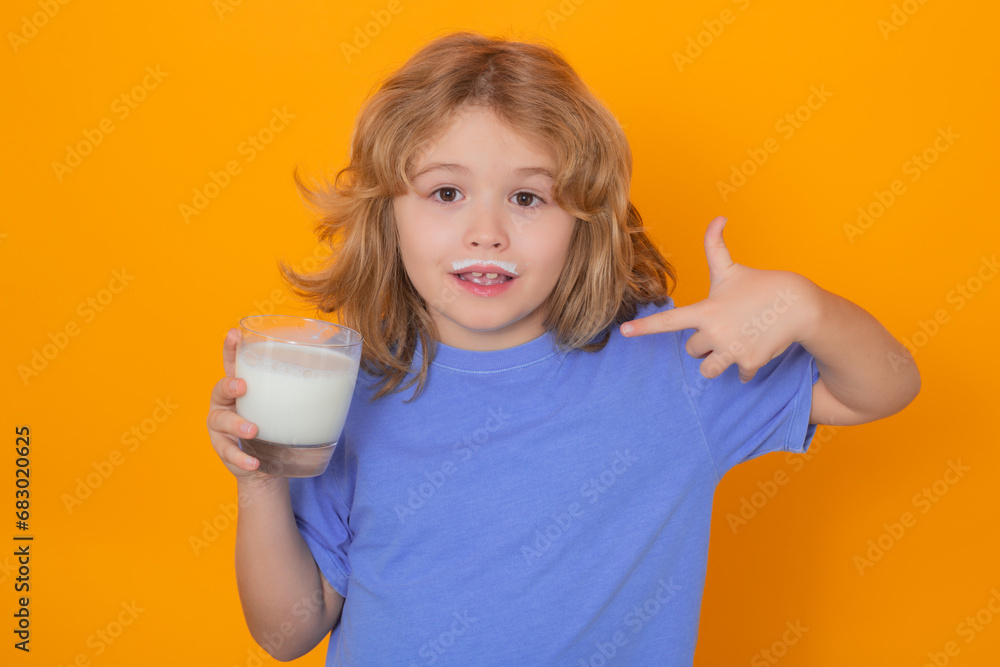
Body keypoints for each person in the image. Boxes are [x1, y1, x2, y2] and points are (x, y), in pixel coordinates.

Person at [206, 31, 920, 665]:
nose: (486, 230)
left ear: (584, 223)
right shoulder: (353, 390)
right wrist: (260, 479)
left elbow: (886, 385)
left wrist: (804, 305)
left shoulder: (673, 367)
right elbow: (286, 635)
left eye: (528, 199)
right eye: (446, 192)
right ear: (386, 220)